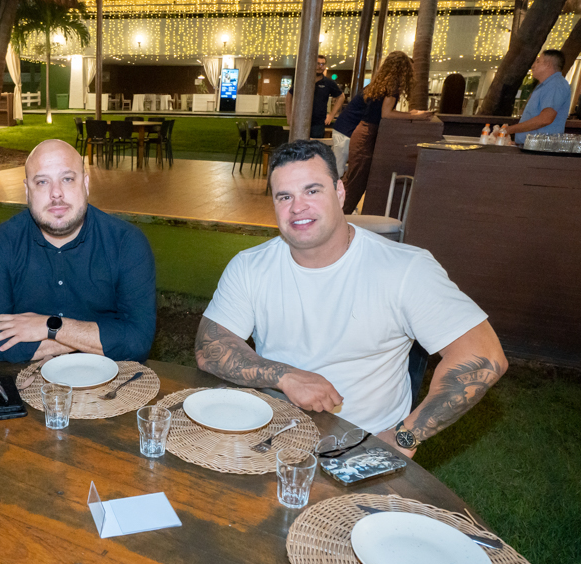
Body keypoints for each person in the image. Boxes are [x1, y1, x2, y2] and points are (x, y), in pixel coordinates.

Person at [196, 140, 506, 458]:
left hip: (360, 445)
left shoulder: (404, 269)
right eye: (284, 196)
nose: (297, 207)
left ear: (340, 193)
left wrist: (405, 437)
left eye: (312, 191)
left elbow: (485, 356)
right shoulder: (250, 266)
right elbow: (209, 349)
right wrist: (284, 375)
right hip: (273, 436)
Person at [0, 139, 156, 363]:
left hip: (111, 387)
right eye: (42, 182)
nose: (56, 193)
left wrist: (49, 326)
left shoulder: (126, 244)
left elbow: (138, 343)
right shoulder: (0, 245)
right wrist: (92, 340)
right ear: (26, 190)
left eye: (67, 179)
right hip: (28, 386)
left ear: (86, 184)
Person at [341, 51, 433, 214]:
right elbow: (387, 114)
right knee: (356, 182)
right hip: (367, 137)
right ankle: (341, 219)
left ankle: (340, 216)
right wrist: (415, 116)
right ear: (402, 69)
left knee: (353, 180)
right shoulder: (392, 87)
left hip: (362, 132)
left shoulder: (379, 84)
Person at [505, 50, 571, 143]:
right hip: (531, 147)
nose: (533, 65)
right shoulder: (545, 85)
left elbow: (545, 119)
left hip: (540, 149)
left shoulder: (555, 85)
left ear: (548, 64)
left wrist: (509, 130)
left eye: (538, 61)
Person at [286, 55, 344, 139]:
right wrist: (289, 115)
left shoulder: (328, 83)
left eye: (322, 64)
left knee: (315, 149)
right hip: (300, 122)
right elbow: (289, 95)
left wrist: (331, 115)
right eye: (317, 64)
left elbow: (341, 97)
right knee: (299, 147)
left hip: (318, 124)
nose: (320, 67)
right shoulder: (303, 80)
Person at [330, 93, 368, 177]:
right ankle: (332, 188)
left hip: (344, 129)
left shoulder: (369, 91)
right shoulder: (372, 94)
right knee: (337, 168)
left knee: (337, 165)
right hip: (345, 131)